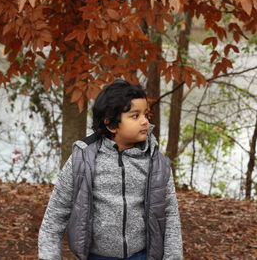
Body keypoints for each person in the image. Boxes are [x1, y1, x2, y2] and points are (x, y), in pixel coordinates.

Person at [38, 79, 183, 260]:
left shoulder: (156, 163)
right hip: (95, 256)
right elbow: (55, 217)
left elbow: (170, 217)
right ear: (111, 124)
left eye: (146, 114)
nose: (145, 121)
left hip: (141, 256)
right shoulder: (82, 160)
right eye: (135, 116)